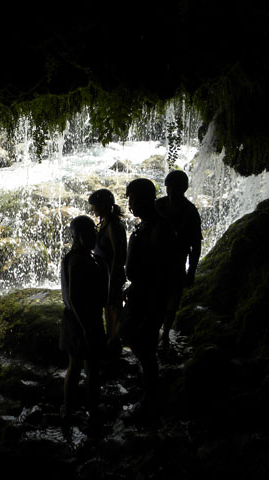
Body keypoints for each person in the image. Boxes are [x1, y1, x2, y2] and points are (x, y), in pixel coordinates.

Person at [118, 178, 177, 424]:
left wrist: (153, 311)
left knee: (145, 349)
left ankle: (150, 401)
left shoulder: (158, 229)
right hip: (141, 295)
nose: (130, 205)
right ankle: (150, 395)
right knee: (140, 346)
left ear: (143, 199)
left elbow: (162, 276)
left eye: (132, 199)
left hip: (149, 299)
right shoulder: (150, 226)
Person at [59, 215, 109, 425]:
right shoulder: (78, 260)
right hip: (82, 320)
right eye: (91, 233)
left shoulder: (83, 257)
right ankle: (82, 410)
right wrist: (88, 328)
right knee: (86, 366)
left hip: (80, 319)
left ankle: (74, 409)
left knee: (81, 366)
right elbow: (75, 298)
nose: (95, 236)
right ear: (80, 236)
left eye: (95, 232)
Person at [155, 170, 203, 350]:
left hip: (176, 262)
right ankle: (158, 331)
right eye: (168, 187)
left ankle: (165, 333)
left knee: (172, 301)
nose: (170, 190)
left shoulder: (189, 211)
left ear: (183, 188)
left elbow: (196, 246)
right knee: (159, 299)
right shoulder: (158, 205)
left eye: (173, 187)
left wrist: (191, 271)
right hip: (158, 262)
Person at [88, 188, 127, 344]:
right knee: (108, 306)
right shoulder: (105, 222)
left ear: (103, 205)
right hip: (105, 274)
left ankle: (115, 340)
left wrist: (113, 275)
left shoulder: (113, 225)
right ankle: (111, 338)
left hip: (112, 274)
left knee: (114, 307)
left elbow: (119, 253)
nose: (92, 209)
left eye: (94, 205)